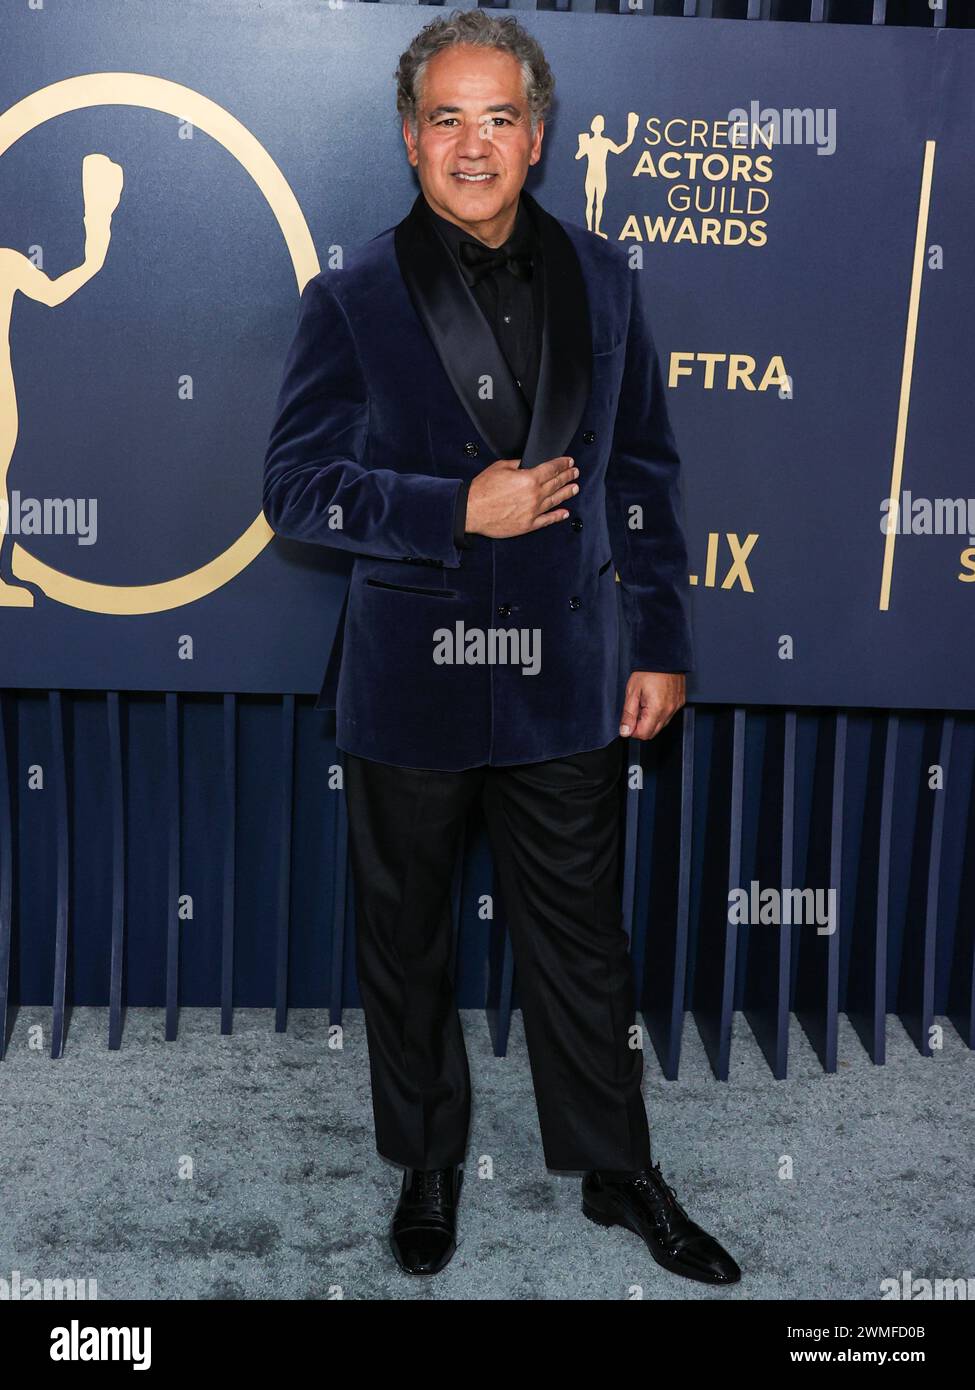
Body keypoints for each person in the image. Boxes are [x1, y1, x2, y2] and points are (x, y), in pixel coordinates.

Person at [263, 7, 740, 1286]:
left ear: (539, 133)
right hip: (409, 686)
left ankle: (617, 1167)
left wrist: (661, 635)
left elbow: (639, 470)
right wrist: (446, 507)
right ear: (411, 138)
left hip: (566, 675)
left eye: (499, 116)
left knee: (584, 941)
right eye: (446, 118)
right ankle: (426, 1157)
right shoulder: (351, 295)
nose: (473, 143)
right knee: (406, 933)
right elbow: (295, 490)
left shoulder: (607, 276)